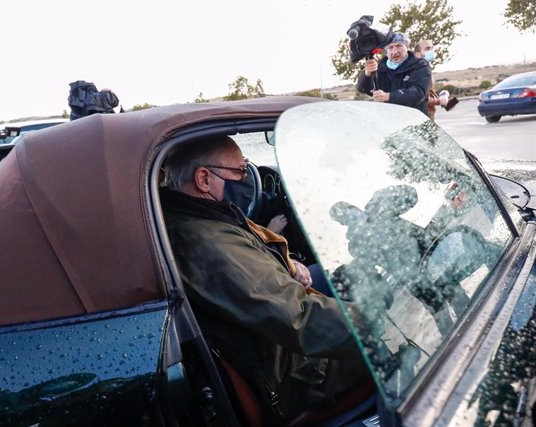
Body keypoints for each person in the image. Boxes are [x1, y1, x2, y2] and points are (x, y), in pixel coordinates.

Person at [160, 136, 369, 424]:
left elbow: (252, 267)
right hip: (296, 374)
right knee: (404, 351)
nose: (247, 177)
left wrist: (286, 261)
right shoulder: (207, 245)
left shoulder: (196, 216)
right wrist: (377, 322)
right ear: (204, 179)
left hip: (272, 342)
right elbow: (298, 319)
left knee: (337, 275)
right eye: (240, 171)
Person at [357, 32, 432, 116]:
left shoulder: (419, 65)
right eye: (390, 47)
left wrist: (389, 96)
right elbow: (363, 88)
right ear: (386, 51)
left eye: (399, 46)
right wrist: (367, 74)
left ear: (407, 47)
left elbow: (419, 92)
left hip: (414, 120)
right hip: (389, 121)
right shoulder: (380, 67)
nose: (395, 52)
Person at [414, 39, 458, 120]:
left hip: (428, 115)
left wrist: (447, 103)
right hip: (421, 116)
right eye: (427, 49)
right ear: (417, 54)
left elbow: (428, 92)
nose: (431, 51)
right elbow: (417, 96)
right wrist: (439, 101)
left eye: (431, 48)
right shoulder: (416, 71)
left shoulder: (425, 69)